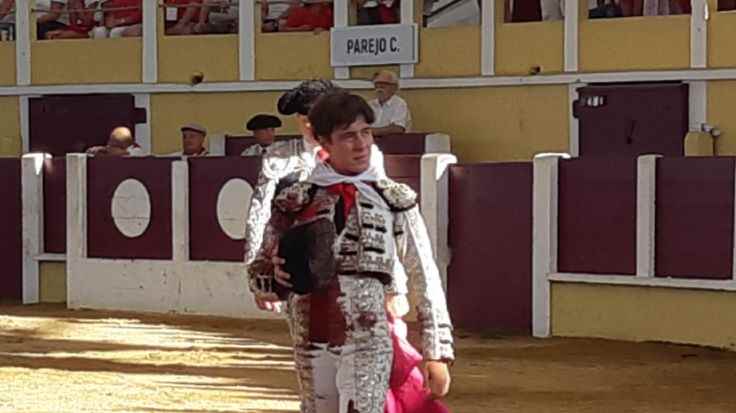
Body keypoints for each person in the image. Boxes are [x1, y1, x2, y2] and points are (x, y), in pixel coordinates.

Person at [246, 92, 454, 413]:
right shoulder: (294, 201)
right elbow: (260, 267)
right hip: (309, 337)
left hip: (368, 336)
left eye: (365, 133)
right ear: (323, 142)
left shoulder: (394, 199)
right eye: (347, 136)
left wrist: (436, 351)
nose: (361, 145)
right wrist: (271, 276)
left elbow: (424, 273)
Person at [368, 70, 412, 137]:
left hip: (394, 143)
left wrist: (371, 131)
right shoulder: (370, 104)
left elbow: (398, 129)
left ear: (394, 87)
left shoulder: (399, 104)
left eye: (383, 85)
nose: (379, 88)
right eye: (376, 84)